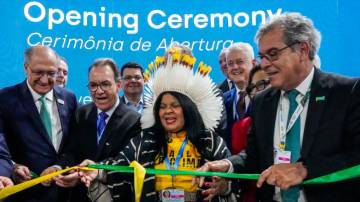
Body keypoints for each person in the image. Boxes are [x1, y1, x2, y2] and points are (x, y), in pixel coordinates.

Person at [196, 12, 360, 202]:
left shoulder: (346, 92)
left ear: (303, 50)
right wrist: (226, 164)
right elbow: (254, 156)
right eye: (262, 56)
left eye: (273, 54)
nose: (265, 64)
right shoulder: (263, 101)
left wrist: (305, 169)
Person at [78, 50, 233, 202]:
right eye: (162, 106)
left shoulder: (210, 140)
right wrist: (96, 169)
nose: (168, 111)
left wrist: (225, 186)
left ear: (188, 109)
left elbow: (231, 177)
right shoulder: (144, 140)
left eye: (175, 105)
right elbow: (119, 165)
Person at [41, 58, 141, 202]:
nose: (99, 91)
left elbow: (126, 162)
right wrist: (59, 168)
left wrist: (89, 172)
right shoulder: (81, 113)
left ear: (118, 85)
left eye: (105, 84)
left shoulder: (134, 120)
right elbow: (71, 151)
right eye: (93, 85)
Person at [0, 45, 77, 202]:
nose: (44, 79)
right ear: (26, 68)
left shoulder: (69, 98)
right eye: (38, 72)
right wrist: (11, 168)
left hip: (63, 193)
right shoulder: (5, 99)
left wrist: (59, 167)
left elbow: (73, 144)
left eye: (51, 73)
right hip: (23, 194)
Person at [223, 42, 255, 152]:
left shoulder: (265, 97)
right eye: (230, 64)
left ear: (253, 63)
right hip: (228, 166)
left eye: (240, 62)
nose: (235, 67)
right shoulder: (222, 100)